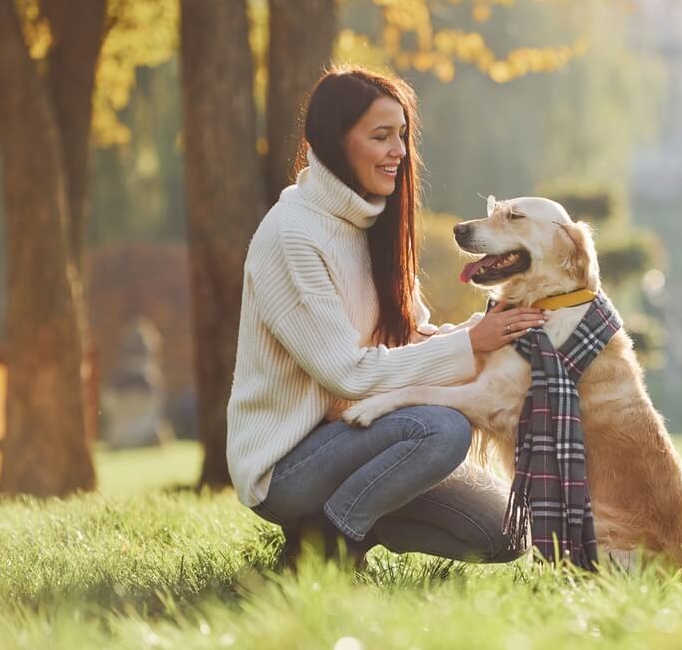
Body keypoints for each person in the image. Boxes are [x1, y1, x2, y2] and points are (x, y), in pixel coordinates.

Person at [226, 67, 545, 569]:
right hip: (288, 465)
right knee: (442, 430)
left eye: (402, 135)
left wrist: (481, 333)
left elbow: (409, 338)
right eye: (380, 137)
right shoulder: (293, 235)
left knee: (507, 533)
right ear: (334, 141)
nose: (398, 151)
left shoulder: (373, 223)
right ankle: (327, 549)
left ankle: (335, 521)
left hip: (362, 439)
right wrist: (469, 345)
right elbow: (346, 375)